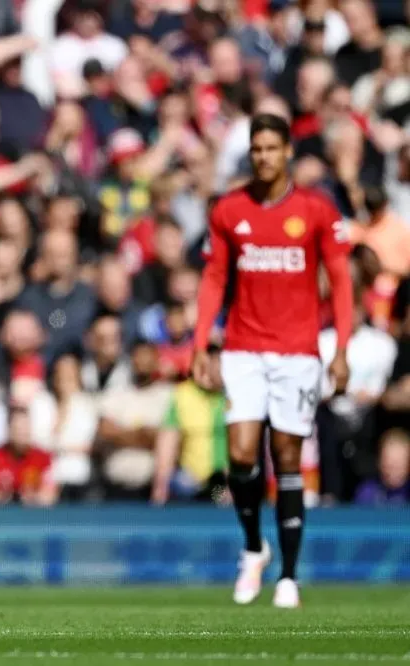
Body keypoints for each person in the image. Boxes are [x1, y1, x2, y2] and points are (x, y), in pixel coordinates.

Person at [192, 113, 353, 609]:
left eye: (270, 148)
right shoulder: (228, 209)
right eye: (255, 149)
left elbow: (342, 280)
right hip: (242, 347)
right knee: (241, 454)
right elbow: (215, 278)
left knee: (286, 457)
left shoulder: (316, 210)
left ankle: (288, 574)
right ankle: (252, 547)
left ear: (287, 152)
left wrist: (341, 348)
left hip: (298, 351)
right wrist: (201, 343)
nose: (262, 157)